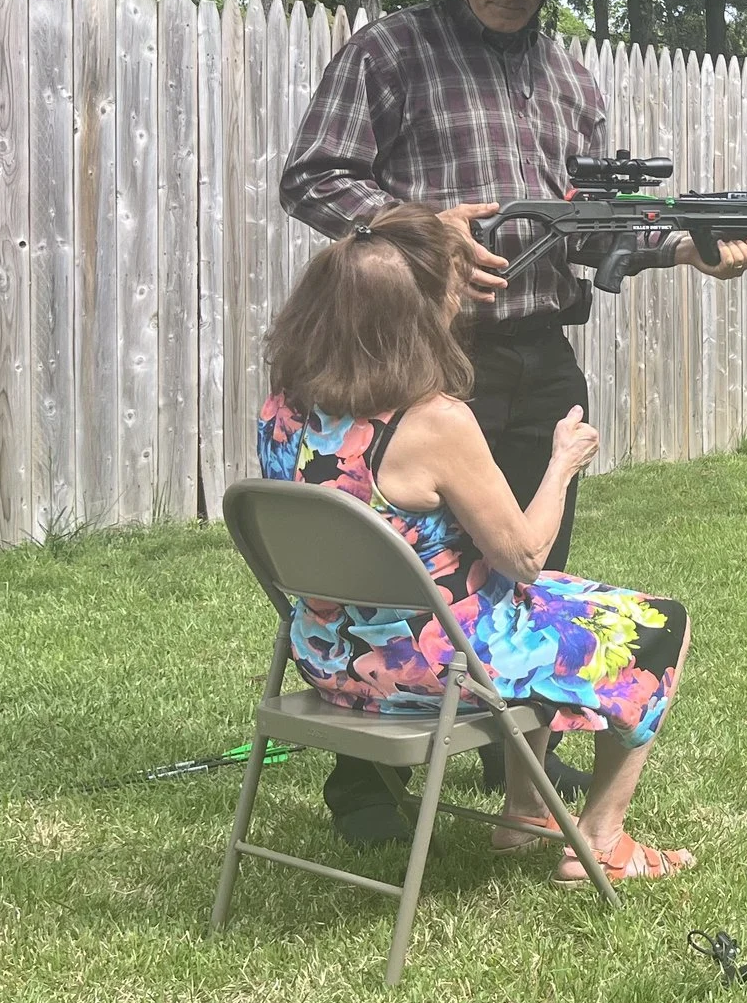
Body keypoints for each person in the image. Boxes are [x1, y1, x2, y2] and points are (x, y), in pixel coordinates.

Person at [281, 0, 747, 844]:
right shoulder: (390, 50)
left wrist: (691, 248)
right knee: (386, 565)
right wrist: (419, 226)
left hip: (539, 353)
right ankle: (364, 780)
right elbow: (312, 177)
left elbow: (593, 227)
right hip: (415, 354)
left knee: (529, 563)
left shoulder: (573, 83)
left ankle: (519, 762)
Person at [257, 204, 693, 886]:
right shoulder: (434, 422)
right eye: (445, 297)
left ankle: (529, 810)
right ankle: (603, 840)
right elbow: (523, 555)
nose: (455, 307)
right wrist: (561, 462)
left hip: (327, 658)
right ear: (411, 319)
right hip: (432, 672)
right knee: (658, 623)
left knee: (545, 600)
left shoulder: (283, 408)